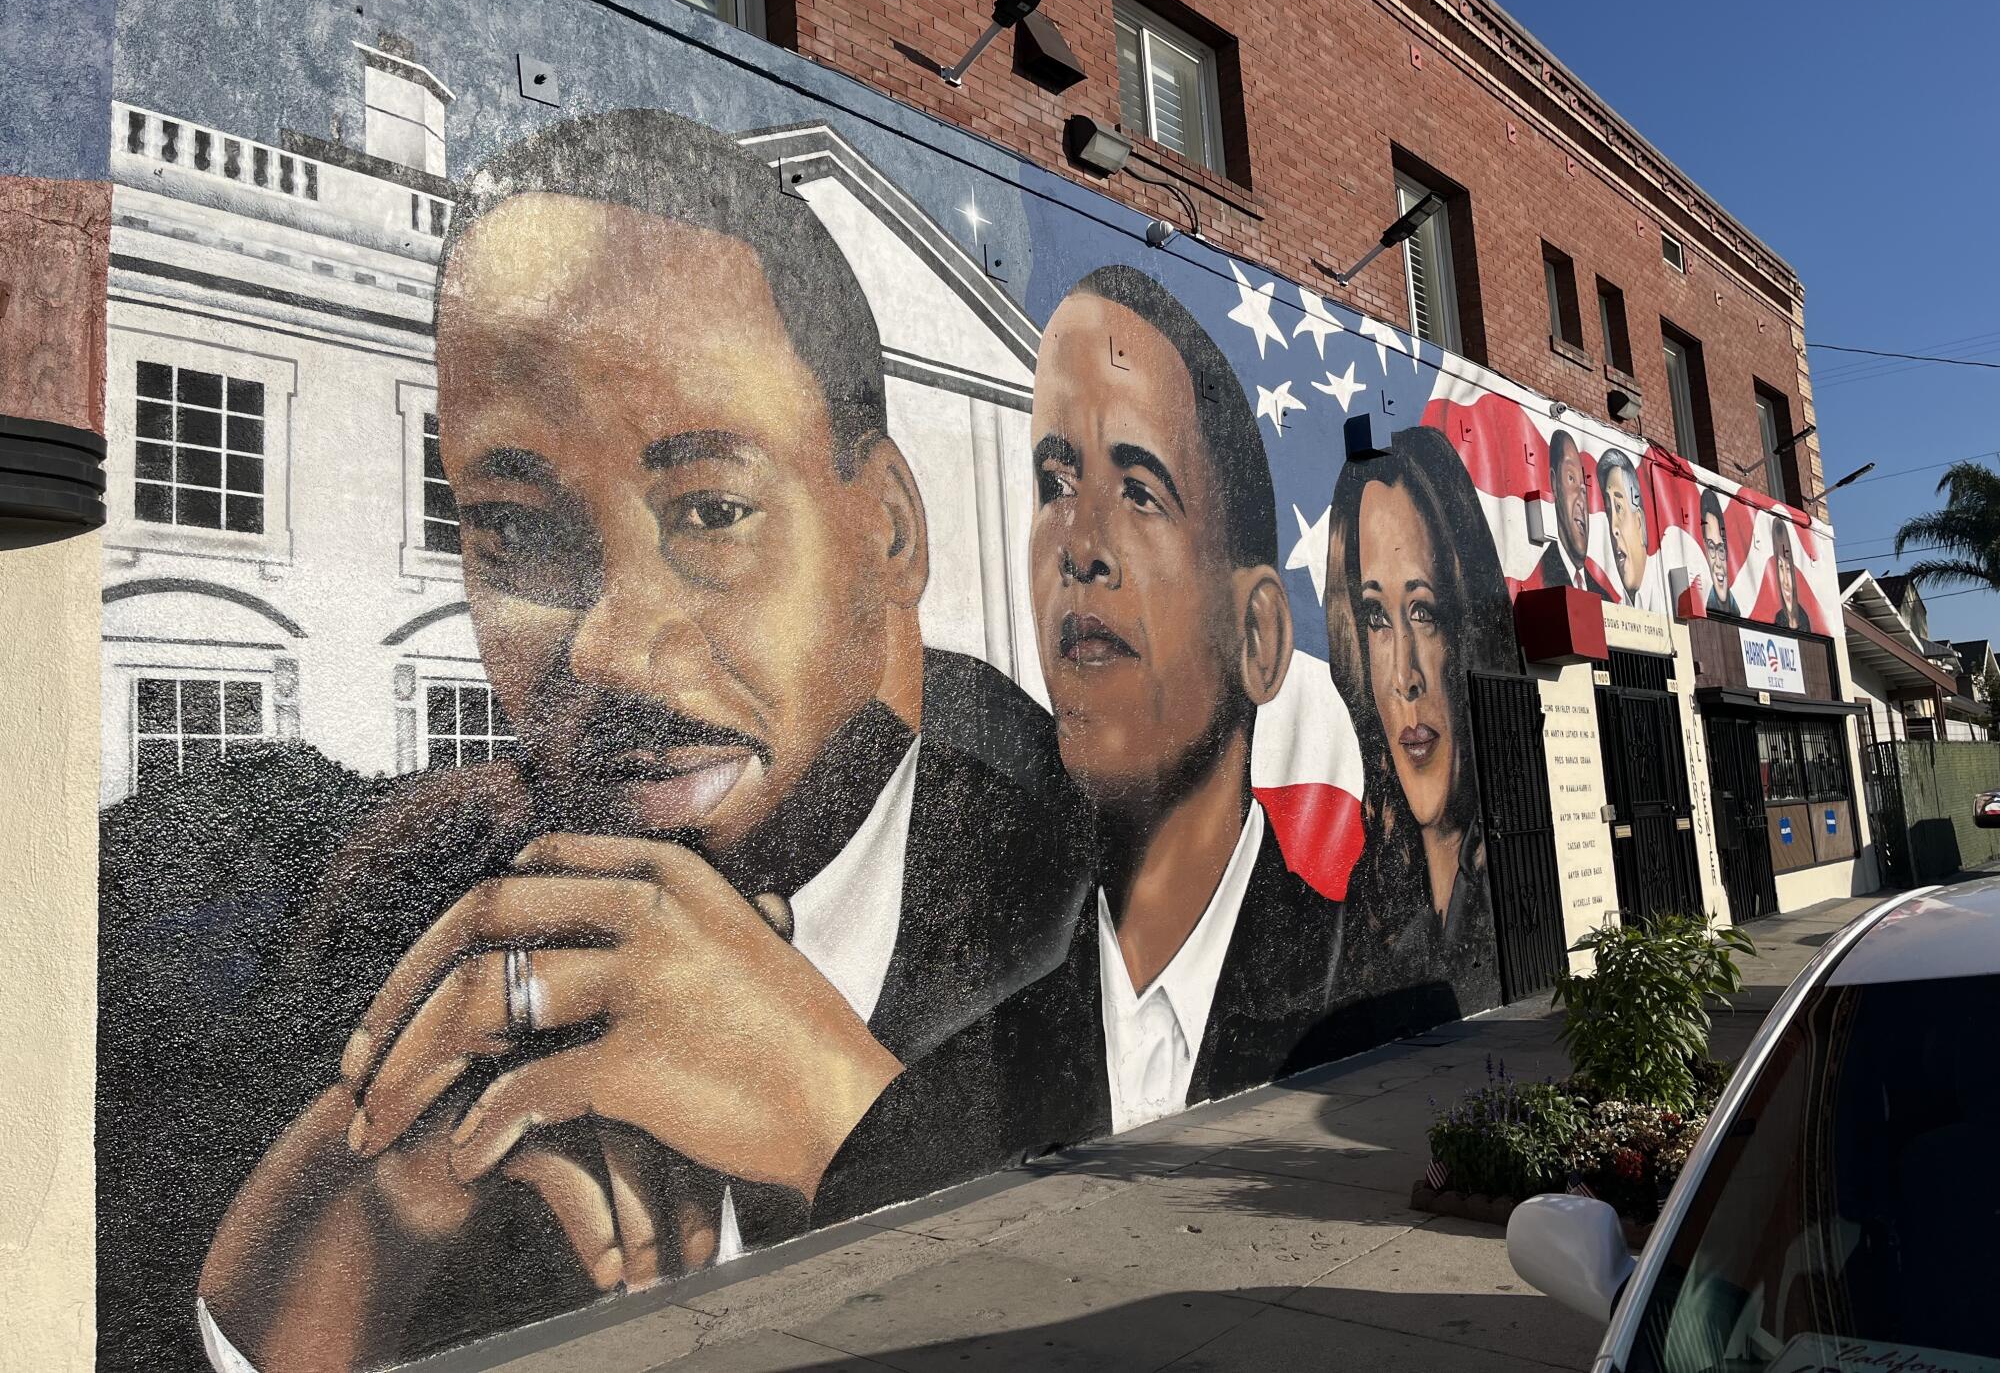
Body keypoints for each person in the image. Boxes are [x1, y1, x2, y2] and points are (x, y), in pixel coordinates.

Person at [182, 108, 1083, 1371]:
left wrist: (853, 1130)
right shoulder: (373, 918)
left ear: (884, 528)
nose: (607, 646)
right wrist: (362, 1218)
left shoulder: (1093, 884)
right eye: (509, 529)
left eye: (709, 510)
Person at [1021, 264, 1345, 1131]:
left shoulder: (1358, 993)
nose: (1079, 546)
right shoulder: (982, 1065)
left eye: (1139, 491)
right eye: (1055, 483)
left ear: (1258, 637)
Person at [1323, 424, 1515, 1019]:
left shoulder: (1503, 888)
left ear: (1466, 631)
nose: (1404, 675)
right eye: (1377, 618)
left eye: (1424, 611)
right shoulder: (1369, 916)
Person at [1534, 430, 1610, 596]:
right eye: (1571, 479)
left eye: (1584, 490)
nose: (1581, 503)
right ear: (1554, 482)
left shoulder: (1605, 598)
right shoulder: (1539, 577)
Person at [1597, 447, 1668, 613]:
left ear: (1639, 522)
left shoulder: (1663, 597)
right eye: (1608, 511)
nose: (1613, 527)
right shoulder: (1618, 604)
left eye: (1619, 507)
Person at [1701, 490, 1738, 616]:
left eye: (1721, 549)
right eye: (1711, 548)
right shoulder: (1705, 605)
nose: (1718, 563)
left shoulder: (1736, 610)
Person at [1770, 518, 1810, 631]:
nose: (1786, 582)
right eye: (1780, 567)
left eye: (1788, 569)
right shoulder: (1779, 618)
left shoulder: (1803, 618)